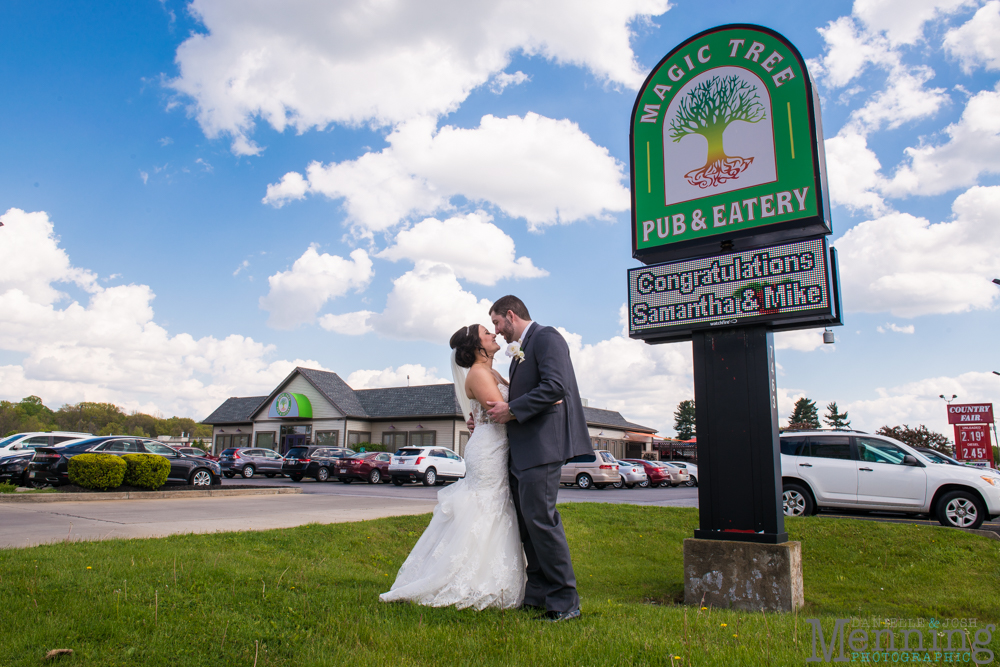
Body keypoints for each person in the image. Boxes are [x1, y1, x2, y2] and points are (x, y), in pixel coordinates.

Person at [379, 323, 526, 610]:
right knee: (486, 507)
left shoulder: (491, 372)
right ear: (476, 347)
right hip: (488, 451)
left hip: (496, 446)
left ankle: (492, 574)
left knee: (497, 506)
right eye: (487, 332)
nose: (493, 334)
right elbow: (502, 413)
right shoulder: (479, 373)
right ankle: (465, 578)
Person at [485, 295, 592, 622]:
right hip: (523, 449)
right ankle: (538, 594)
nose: (497, 331)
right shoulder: (520, 351)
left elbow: (556, 386)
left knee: (542, 520)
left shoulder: (547, 338)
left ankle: (565, 600)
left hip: (543, 447)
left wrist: (513, 409)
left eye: (497, 323)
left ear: (511, 315)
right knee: (528, 525)